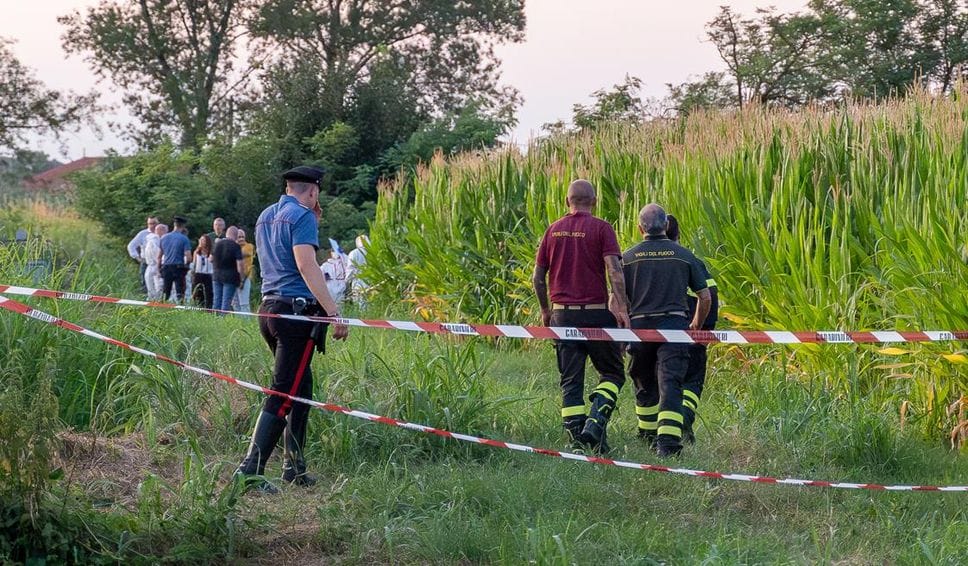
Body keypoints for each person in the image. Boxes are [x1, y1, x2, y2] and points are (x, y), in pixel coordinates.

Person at [235, 165, 348, 492]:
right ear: (312, 191)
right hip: (295, 316)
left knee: (301, 385)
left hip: (269, 310)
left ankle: (294, 467)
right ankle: (249, 471)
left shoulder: (265, 216)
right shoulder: (302, 217)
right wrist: (333, 310)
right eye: (317, 194)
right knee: (283, 392)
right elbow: (304, 264)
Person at [532, 179, 630, 454]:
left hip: (562, 318)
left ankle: (577, 441)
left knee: (570, 380)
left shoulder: (553, 231)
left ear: (567, 202)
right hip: (596, 314)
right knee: (612, 373)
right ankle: (596, 422)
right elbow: (614, 271)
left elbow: (538, 278)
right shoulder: (602, 228)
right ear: (594, 201)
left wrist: (545, 310)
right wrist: (621, 307)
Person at [622, 204, 711, 457]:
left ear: (640, 228)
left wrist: (623, 328)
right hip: (674, 328)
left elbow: (617, 298)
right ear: (667, 226)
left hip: (639, 329)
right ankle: (669, 445)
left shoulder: (627, 258)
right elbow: (704, 297)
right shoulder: (683, 255)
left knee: (643, 381)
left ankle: (647, 435)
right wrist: (696, 324)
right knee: (670, 383)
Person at [665, 215, 718, 444]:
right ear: (678, 235)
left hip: (659, 335)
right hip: (693, 332)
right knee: (692, 382)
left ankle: (675, 423)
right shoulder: (690, 260)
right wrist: (704, 328)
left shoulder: (645, 260)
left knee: (667, 383)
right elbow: (710, 296)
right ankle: (684, 418)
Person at [158, 216, 192, 303]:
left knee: (166, 291)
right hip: (178, 267)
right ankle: (181, 308)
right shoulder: (184, 239)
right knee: (180, 292)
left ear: (174, 224)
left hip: (166, 266)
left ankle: (162, 308)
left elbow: (159, 256)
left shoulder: (164, 238)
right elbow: (188, 257)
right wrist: (187, 266)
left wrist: (159, 267)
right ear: (183, 226)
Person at [212, 226, 244, 313]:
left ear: (226, 234)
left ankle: (214, 320)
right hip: (230, 277)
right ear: (236, 235)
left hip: (217, 275)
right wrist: (241, 279)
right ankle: (222, 322)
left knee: (216, 301)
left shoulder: (217, 244)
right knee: (226, 302)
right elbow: (240, 265)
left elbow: (211, 259)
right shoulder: (236, 246)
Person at [127, 216, 159, 292]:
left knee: (159, 285)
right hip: (146, 262)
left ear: (158, 223)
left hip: (159, 262)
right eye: (149, 224)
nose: (152, 226)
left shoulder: (162, 233)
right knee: (145, 283)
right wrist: (138, 258)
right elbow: (131, 246)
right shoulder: (143, 234)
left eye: (154, 223)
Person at [233, 229, 255, 312]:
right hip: (233, 277)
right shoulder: (234, 247)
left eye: (242, 237)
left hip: (244, 278)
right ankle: (238, 322)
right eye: (239, 237)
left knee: (244, 303)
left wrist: (233, 247)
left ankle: (246, 322)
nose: (241, 239)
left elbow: (243, 253)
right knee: (235, 303)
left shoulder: (249, 246)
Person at [143, 223, 166, 300]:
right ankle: (156, 301)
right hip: (156, 265)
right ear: (160, 230)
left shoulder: (151, 240)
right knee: (157, 287)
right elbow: (157, 254)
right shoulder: (155, 240)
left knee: (152, 287)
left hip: (151, 265)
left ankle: (154, 301)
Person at [191, 234, 214, 309]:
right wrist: (192, 274)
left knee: (208, 293)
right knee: (198, 292)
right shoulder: (196, 252)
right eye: (200, 240)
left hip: (208, 274)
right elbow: (194, 264)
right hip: (198, 274)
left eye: (203, 240)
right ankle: (198, 307)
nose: (201, 242)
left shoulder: (211, 253)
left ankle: (208, 308)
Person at [345, 235, 369, 307]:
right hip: (372, 281)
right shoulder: (373, 252)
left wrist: (347, 281)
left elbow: (350, 269)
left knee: (360, 304)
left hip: (358, 282)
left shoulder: (354, 253)